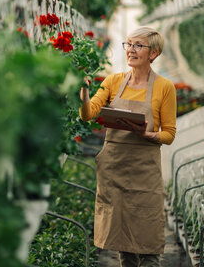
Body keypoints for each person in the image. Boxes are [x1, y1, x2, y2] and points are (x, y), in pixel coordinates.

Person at [79, 27, 176, 267]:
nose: (130, 50)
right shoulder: (113, 81)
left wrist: (149, 134)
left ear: (152, 54)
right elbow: (88, 114)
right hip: (115, 172)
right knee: (124, 248)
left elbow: (169, 134)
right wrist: (82, 93)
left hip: (144, 174)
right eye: (129, 44)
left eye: (137, 45)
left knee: (149, 245)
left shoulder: (165, 87)